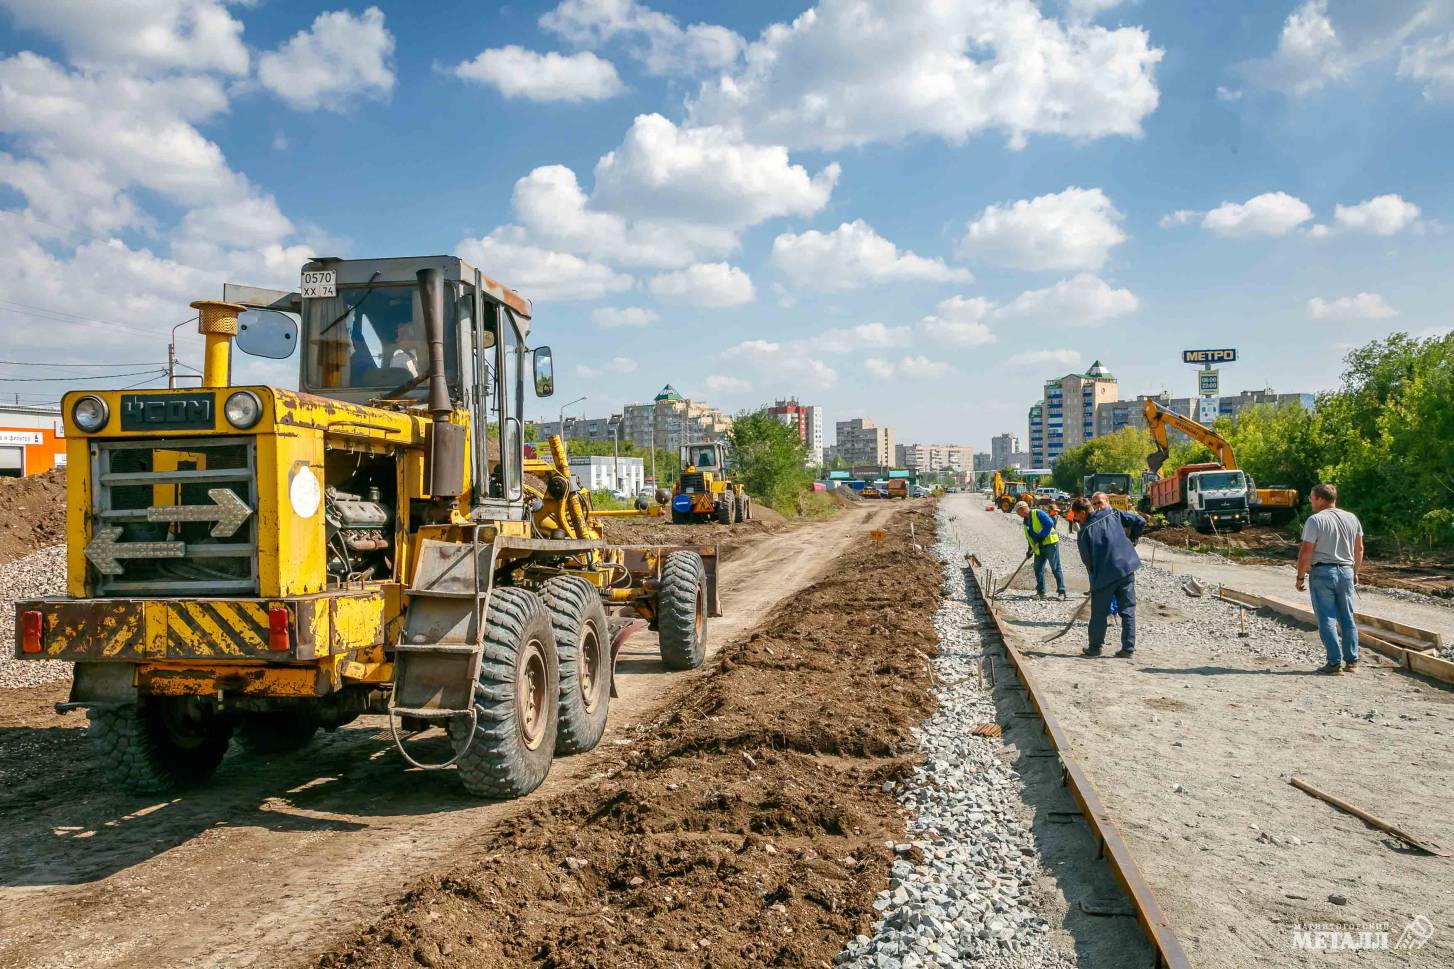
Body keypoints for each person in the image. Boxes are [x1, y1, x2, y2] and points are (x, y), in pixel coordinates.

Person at [1296, 483, 1364, 674]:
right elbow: (1359, 549)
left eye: (1311, 497)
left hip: (1323, 572)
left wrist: (1300, 577)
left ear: (1320, 499)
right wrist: (1355, 571)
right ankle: (1352, 661)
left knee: (1327, 617)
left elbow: (1306, 551)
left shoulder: (1315, 520)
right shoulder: (1352, 518)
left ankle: (1334, 663)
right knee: (1347, 617)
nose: (1310, 501)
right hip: (1346, 571)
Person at [1076, 492, 1146, 657]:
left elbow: (1088, 562)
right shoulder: (1114, 514)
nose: (1078, 520)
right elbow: (1140, 521)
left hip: (1104, 575)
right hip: (1126, 568)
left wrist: (1093, 582)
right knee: (1127, 610)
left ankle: (1095, 647)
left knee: (1099, 613)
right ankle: (1128, 648)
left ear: (1083, 513)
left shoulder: (1085, 532)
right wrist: (1132, 540)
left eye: (1078, 517)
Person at [1014, 500, 1066, 600]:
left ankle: (1061, 592)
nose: (1017, 514)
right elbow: (1030, 538)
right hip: (1038, 548)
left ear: (1023, 509)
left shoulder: (1037, 513)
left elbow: (1049, 523)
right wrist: (1029, 550)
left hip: (1050, 544)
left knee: (1055, 568)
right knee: (1038, 569)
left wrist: (1042, 536)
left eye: (1018, 512)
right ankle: (1041, 592)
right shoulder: (1025, 522)